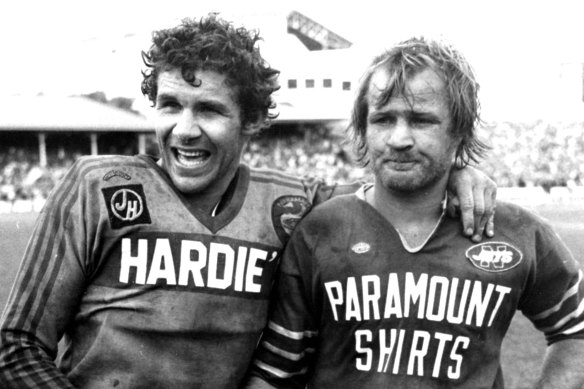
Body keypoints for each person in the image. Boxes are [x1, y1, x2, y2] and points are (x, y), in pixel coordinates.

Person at [0, 15, 496, 389]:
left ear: (253, 122)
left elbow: (386, 193)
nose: (184, 128)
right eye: (169, 105)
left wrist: (457, 171)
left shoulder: (291, 202)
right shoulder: (97, 187)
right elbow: (16, 346)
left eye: (210, 110)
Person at [245, 37, 584, 389]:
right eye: (383, 120)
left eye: (421, 120)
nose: (399, 138)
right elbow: (275, 372)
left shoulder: (514, 231)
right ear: (363, 130)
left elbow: (576, 331)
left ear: (460, 132)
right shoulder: (320, 231)